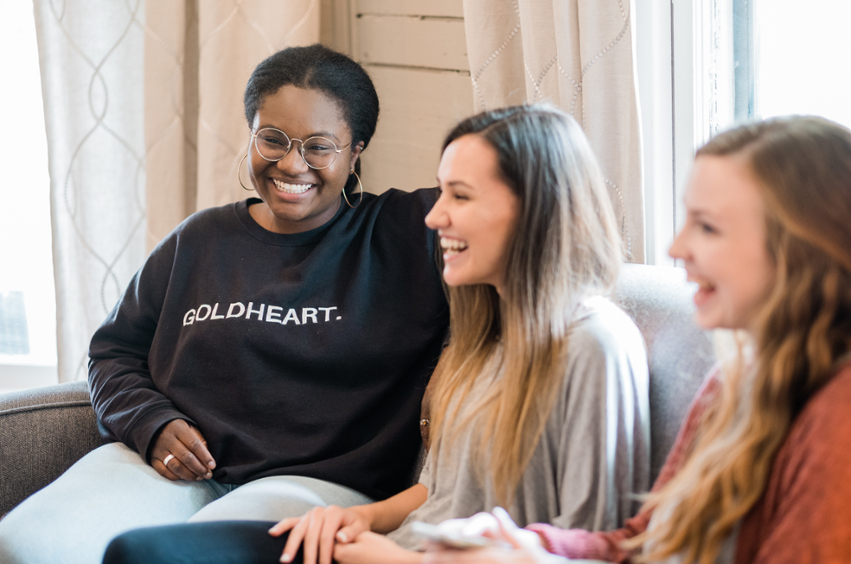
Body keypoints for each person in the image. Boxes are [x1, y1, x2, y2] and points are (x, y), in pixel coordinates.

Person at [101, 104, 650, 564]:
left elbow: (590, 549)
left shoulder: (593, 344)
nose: (434, 218)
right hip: (392, 546)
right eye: (440, 193)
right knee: (138, 552)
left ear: (534, 208)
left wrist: (394, 558)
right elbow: (437, 494)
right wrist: (354, 517)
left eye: (460, 196)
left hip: (403, 560)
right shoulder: (483, 337)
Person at [0, 44, 449, 564]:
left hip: (317, 484)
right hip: (169, 470)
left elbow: (519, 200)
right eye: (272, 139)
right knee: (23, 546)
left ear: (357, 150)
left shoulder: (408, 233)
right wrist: (151, 423)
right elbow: (112, 352)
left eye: (319, 146)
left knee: (177, 557)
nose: (292, 163)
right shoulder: (199, 240)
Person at [427, 115, 851, 564]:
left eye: (707, 227)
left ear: (800, 247)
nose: (676, 248)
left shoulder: (837, 415)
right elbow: (642, 542)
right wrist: (533, 546)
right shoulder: (736, 380)